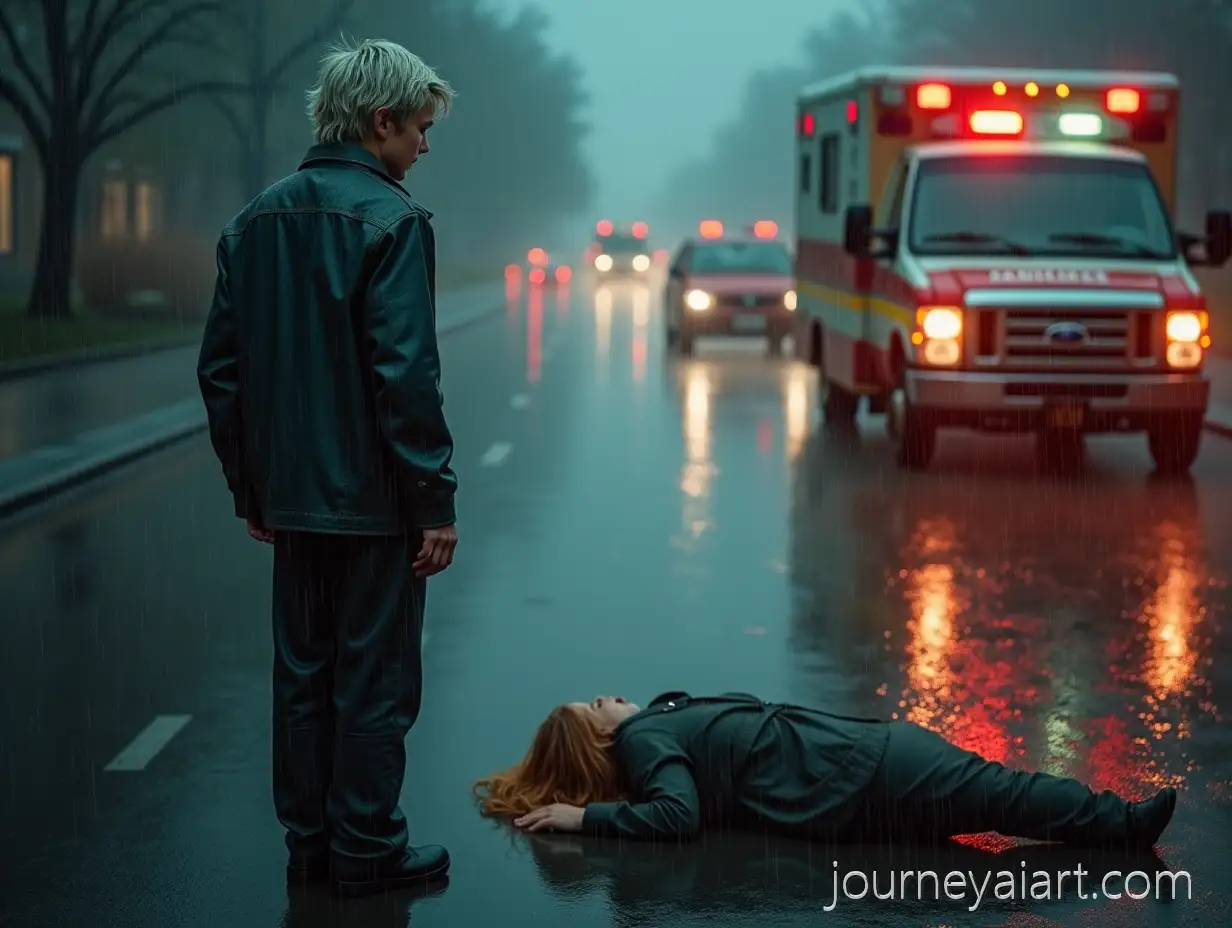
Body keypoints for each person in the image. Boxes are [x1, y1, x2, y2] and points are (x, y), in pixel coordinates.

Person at [197, 38, 458, 899]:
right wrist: (433, 502)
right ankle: (368, 848)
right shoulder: (394, 222)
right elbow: (406, 378)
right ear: (381, 121)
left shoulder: (255, 220)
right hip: (377, 509)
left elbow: (222, 372)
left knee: (302, 681)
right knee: (375, 684)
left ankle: (308, 846)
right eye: (419, 128)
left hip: (295, 509)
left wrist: (253, 488)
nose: (425, 145)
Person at [473, 692, 1177, 848]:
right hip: (860, 770)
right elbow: (677, 817)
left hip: (852, 777)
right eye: (594, 705)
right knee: (1001, 791)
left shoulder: (650, 736)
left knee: (994, 800)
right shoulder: (643, 743)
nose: (608, 696)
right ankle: (1120, 824)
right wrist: (585, 815)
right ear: (596, 739)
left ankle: (1111, 825)